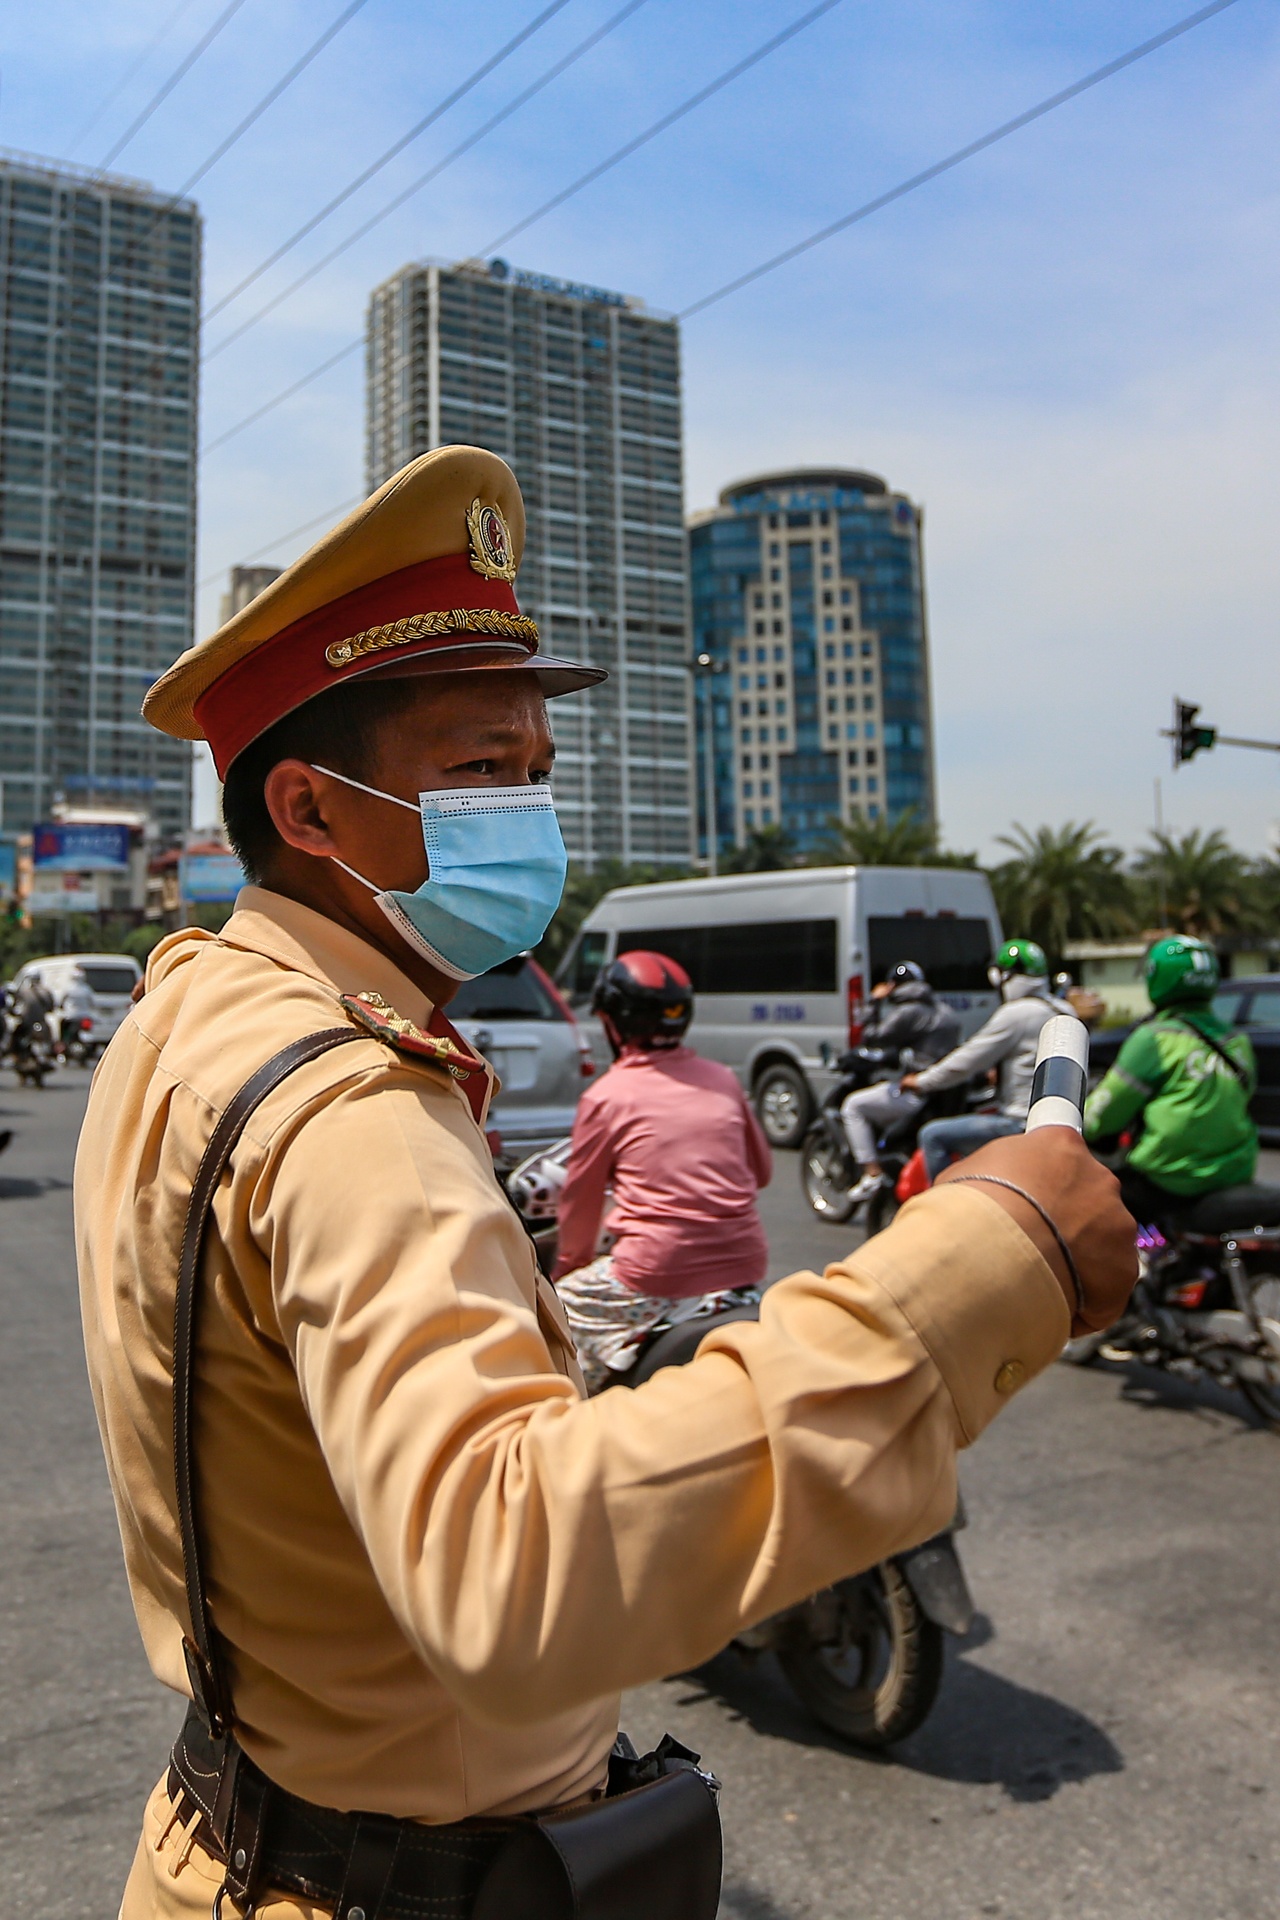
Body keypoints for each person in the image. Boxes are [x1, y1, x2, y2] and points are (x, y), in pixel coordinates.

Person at [74, 446, 1135, 1920]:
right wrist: (984, 1261)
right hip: (386, 1882)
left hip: (233, 1832)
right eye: (479, 771)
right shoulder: (353, 1108)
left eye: (537, 774)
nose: (529, 815)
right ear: (309, 813)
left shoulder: (191, 1008)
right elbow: (509, 1573)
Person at [552, 950, 772, 1388]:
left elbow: (580, 1206)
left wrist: (566, 1268)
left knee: (551, 1312)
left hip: (654, 1272)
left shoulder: (607, 1095)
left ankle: (574, 1421)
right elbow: (761, 1172)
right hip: (746, 1267)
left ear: (613, 1022)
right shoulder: (724, 1078)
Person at [1083, 934, 1256, 1221]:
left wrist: (1081, 1124)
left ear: (1156, 978)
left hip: (1171, 1178)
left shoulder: (1153, 1039)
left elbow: (1099, 1118)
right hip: (1235, 1173)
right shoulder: (1237, 1041)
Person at [903, 938, 1073, 1183]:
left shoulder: (1017, 1014)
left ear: (1006, 978)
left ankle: (944, 1200)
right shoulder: (1063, 1010)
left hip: (1020, 1124)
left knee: (932, 1135)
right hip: (1063, 1125)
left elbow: (966, 1061)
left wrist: (921, 1081)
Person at [838, 961, 961, 1202]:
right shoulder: (945, 1011)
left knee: (853, 1106)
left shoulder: (908, 1012)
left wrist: (874, 1001)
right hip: (944, 1095)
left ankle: (872, 1173)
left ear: (892, 986)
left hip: (919, 1092)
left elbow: (871, 1036)